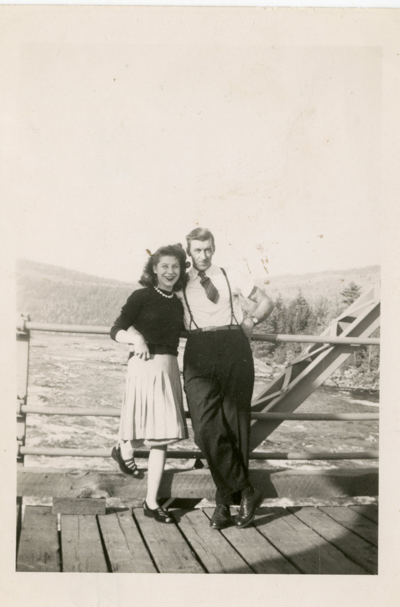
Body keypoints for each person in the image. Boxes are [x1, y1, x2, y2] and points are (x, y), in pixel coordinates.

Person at [180, 227, 274, 529]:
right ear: (189, 251)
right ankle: (246, 490)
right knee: (205, 426)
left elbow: (266, 302)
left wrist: (252, 320)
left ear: (214, 248)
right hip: (198, 348)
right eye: (197, 250)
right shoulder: (180, 281)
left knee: (234, 426)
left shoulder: (231, 275)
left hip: (234, 347)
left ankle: (223, 505)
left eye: (207, 249)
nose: (203, 256)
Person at [110, 244, 189, 524]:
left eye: (175, 266)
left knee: (162, 437)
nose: (170, 271)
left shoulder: (179, 300)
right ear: (154, 269)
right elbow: (117, 328)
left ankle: (151, 502)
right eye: (165, 266)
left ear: (181, 270)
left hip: (168, 366)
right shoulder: (141, 296)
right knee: (144, 425)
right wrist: (136, 338)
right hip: (143, 365)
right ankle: (125, 447)